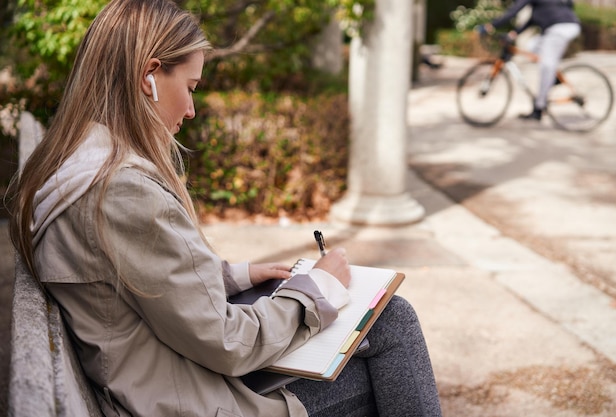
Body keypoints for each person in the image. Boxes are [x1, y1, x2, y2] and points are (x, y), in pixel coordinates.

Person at [9, 0, 442, 416]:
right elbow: (226, 343)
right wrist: (318, 290)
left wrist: (235, 276)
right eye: (191, 87)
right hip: (187, 402)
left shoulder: (79, 164)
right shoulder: (121, 188)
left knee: (373, 333)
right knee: (390, 323)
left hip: (166, 380)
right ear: (150, 76)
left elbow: (133, 284)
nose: (192, 109)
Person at [480, 0, 581, 121]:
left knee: (547, 66)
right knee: (531, 46)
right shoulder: (541, 7)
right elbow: (533, 19)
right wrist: (514, 34)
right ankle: (554, 78)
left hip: (559, 28)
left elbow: (513, 11)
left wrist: (491, 25)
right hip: (562, 26)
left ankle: (539, 108)